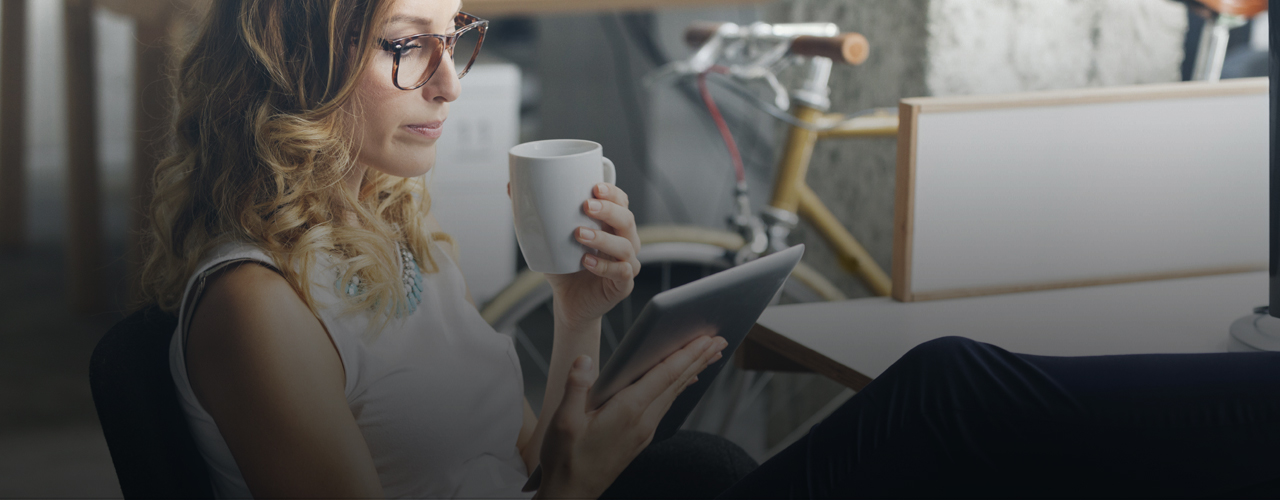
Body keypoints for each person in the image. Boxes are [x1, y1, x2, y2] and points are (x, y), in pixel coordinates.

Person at [138, 0, 1280, 498]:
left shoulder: (396, 236)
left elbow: (517, 462)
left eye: (456, 40)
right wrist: (575, 488)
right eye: (404, 47)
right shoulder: (256, 307)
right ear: (290, 58)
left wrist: (583, 315)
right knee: (947, 390)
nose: (448, 80)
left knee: (971, 421)